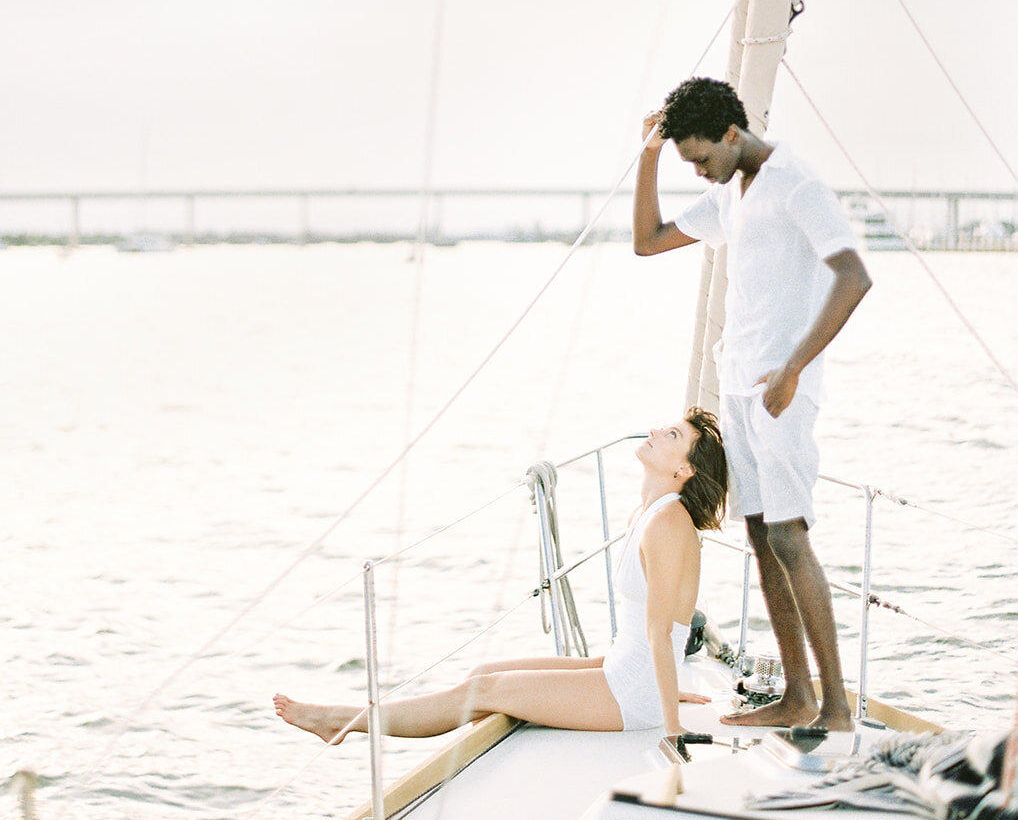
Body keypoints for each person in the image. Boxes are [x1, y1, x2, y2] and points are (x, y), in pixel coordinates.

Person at [632, 75, 872, 732]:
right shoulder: (732, 191)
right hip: (739, 386)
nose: (702, 174)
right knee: (763, 538)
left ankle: (837, 708)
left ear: (733, 134)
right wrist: (651, 156)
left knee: (790, 537)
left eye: (703, 159)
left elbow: (855, 275)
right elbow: (647, 239)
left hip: (781, 390)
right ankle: (795, 697)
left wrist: (794, 368)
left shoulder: (794, 181)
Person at [275, 410, 727, 745]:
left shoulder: (669, 524)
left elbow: (661, 628)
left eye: (671, 435)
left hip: (632, 691)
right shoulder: (645, 514)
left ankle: (345, 721)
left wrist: (670, 722)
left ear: (683, 469)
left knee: (481, 691)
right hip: (625, 670)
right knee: (484, 673)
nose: (654, 431)